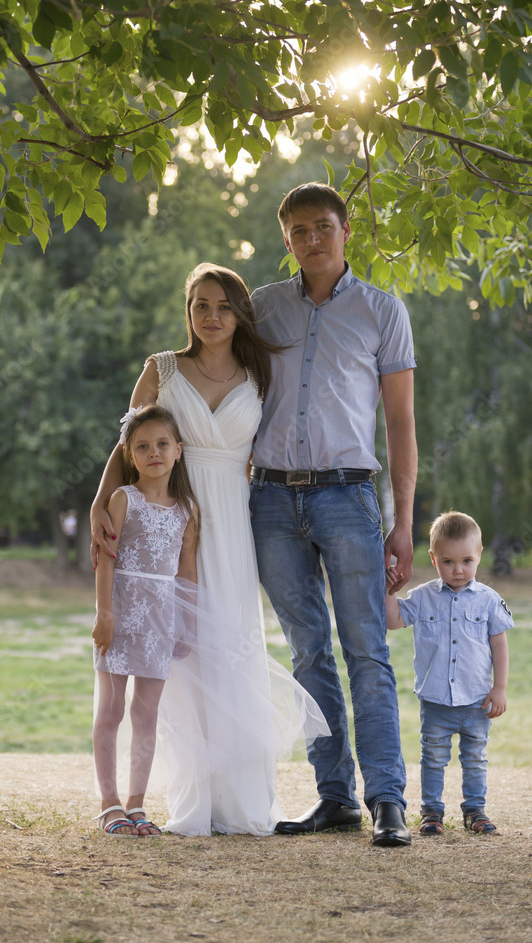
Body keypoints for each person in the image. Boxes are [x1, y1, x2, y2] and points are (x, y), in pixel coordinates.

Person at [91, 262, 329, 836]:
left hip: (232, 521)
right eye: (201, 305)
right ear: (188, 311)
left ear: (239, 312)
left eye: (223, 306)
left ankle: (243, 797)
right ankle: (189, 799)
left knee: (230, 641)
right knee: (182, 658)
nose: (212, 316)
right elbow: (129, 443)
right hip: (174, 513)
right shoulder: (162, 368)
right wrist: (102, 500)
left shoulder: (260, 372)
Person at [249, 182, 417, 846]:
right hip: (268, 500)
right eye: (298, 230)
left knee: (366, 653)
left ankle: (386, 800)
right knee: (307, 654)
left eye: (323, 226)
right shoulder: (261, 310)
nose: (312, 239)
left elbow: (401, 422)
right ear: (285, 239)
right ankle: (333, 797)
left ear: (345, 231)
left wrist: (403, 522)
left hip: (348, 498)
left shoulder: (382, 311)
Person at [92, 405, 199, 836]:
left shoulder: (187, 510)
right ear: (129, 455)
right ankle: (109, 803)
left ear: (178, 451)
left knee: (146, 713)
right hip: (120, 615)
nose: (153, 452)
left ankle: (137, 803)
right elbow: (105, 560)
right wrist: (105, 614)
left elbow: (186, 571)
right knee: (111, 709)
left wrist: (185, 625)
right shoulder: (123, 500)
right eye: (142, 446)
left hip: (160, 620)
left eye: (161, 444)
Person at [386, 511, 513, 836]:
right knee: (433, 759)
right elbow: (394, 621)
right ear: (433, 558)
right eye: (447, 561)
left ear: (479, 555)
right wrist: (388, 591)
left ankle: (475, 810)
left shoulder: (488, 601)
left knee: (475, 760)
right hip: (436, 701)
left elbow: (499, 646)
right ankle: (431, 812)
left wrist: (499, 688)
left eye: (466, 560)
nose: (458, 569)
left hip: (476, 701)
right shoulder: (424, 597)